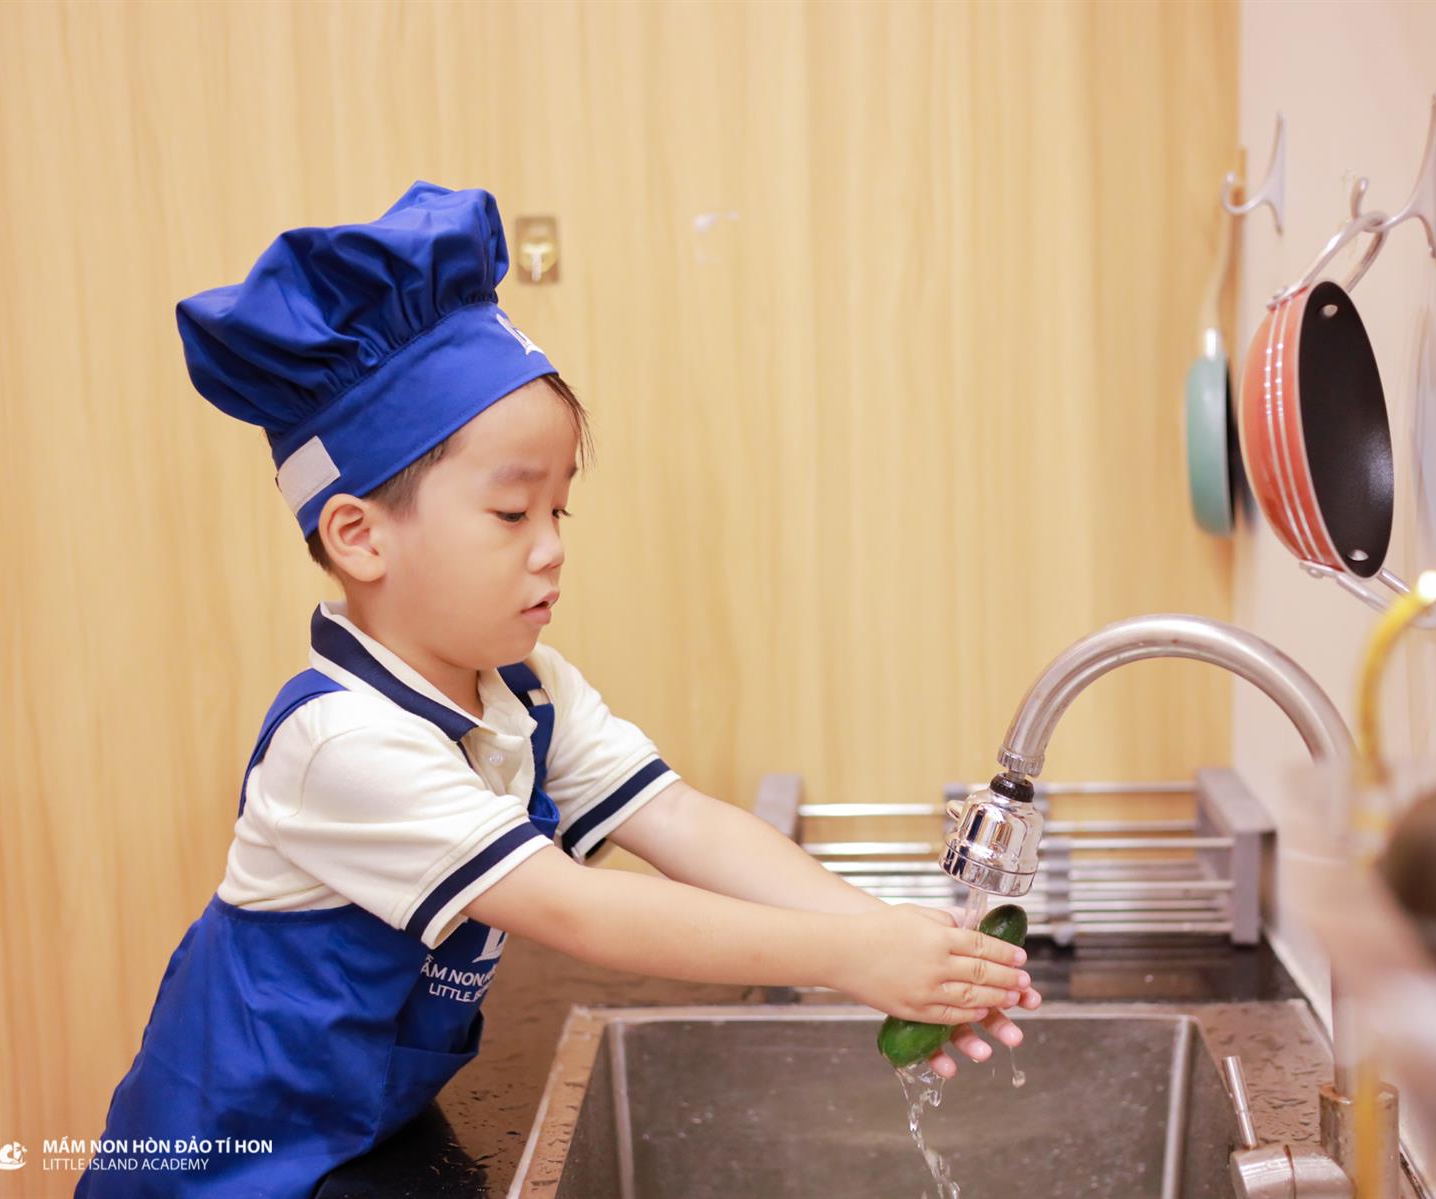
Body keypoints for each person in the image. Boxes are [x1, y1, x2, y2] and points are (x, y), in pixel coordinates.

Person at [78, 181, 1040, 1197]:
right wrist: (852, 957)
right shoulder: (340, 746)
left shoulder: (526, 692)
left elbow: (680, 819)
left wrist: (903, 944)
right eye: (510, 513)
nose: (550, 549)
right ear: (359, 536)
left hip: (355, 1149)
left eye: (559, 511)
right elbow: (577, 909)